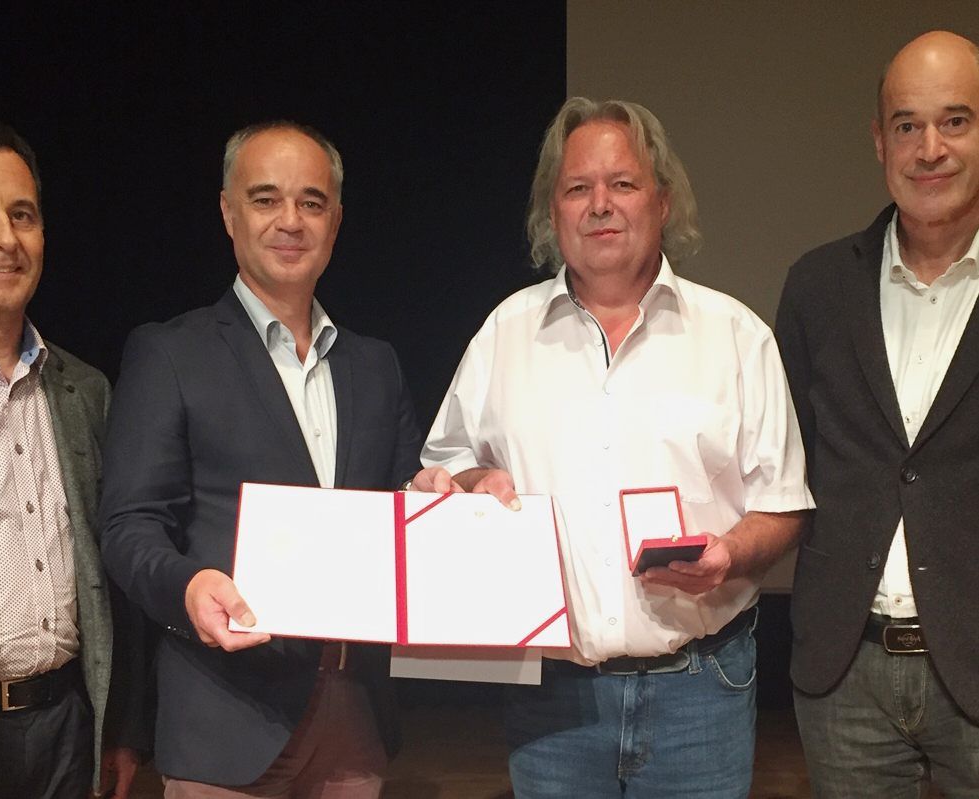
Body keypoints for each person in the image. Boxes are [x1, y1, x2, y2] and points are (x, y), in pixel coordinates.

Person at [412, 97, 813, 798]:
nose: (600, 204)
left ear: (662, 201)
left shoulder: (736, 336)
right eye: (577, 188)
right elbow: (445, 467)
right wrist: (470, 484)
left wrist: (728, 555)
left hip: (703, 690)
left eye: (622, 183)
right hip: (553, 697)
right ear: (554, 211)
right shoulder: (504, 333)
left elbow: (783, 507)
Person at [98, 121, 423, 797]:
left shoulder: (376, 365)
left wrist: (446, 495)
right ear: (228, 212)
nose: (290, 221)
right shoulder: (171, 353)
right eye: (266, 198)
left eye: (311, 202)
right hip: (224, 714)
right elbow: (129, 525)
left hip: (354, 716)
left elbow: (400, 511)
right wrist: (188, 588)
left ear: (336, 220)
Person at [0, 115, 145, 798]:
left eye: (23, 215)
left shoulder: (85, 390)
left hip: (69, 731)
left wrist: (121, 724)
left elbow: (115, 576)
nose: (5, 239)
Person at [776, 30, 979, 797]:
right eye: (906, 125)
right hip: (846, 675)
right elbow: (780, 462)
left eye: (954, 121)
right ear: (877, 141)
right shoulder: (817, 287)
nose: (929, 149)